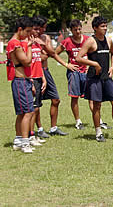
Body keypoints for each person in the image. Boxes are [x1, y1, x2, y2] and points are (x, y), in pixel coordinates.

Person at [76, 16, 113, 142]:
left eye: (106, 26)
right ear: (95, 28)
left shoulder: (109, 40)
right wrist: (94, 64)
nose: (105, 28)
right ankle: (98, 133)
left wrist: (112, 67)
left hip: (106, 77)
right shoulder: (91, 41)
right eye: (102, 26)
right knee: (97, 105)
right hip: (94, 78)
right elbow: (79, 58)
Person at [55, 19, 107, 130]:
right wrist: (66, 64)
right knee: (75, 97)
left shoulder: (88, 40)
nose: (78, 32)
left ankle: (99, 121)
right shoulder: (67, 42)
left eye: (79, 29)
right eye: (75, 30)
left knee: (93, 97)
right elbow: (55, 54)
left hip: (87, 72)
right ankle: (78, 121)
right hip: (74, 72)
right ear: (71, 30)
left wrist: (90, 66)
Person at [33, 15, 71, 137]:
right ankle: (39, 129)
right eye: (40, 28)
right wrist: (43, 53)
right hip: (34, 72)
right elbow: (39, 56)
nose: (42, 31)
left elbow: (51, 53)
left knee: (56, 99)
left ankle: (53, 128)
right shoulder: (29, 39)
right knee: (36, 104)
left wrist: (65, 64)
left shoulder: (45, 38)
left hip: (45, 70)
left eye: (44, 28)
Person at [7, 17, 35, 153]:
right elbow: (27, 62)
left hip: (24, 80)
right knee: (27, 112)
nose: (29, 35)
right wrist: (29, 46)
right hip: (20, 81)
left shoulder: (16, 42)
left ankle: (19, 139)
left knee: (22, 113)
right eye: (27, 31)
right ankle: (25, 142)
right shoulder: (14, 44)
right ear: (20, 29)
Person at [29, 23, 47, 146]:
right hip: (31, 80)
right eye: (35, 29)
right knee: (32, 109)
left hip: (39, 78)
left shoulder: (36, 44)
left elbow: (38, 63)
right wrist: (31, 82)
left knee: (36, 108)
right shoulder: (26, 44)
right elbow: (27, 65)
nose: (38, 31)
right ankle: (30, 136)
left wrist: (44, 78)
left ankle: (33, 135)